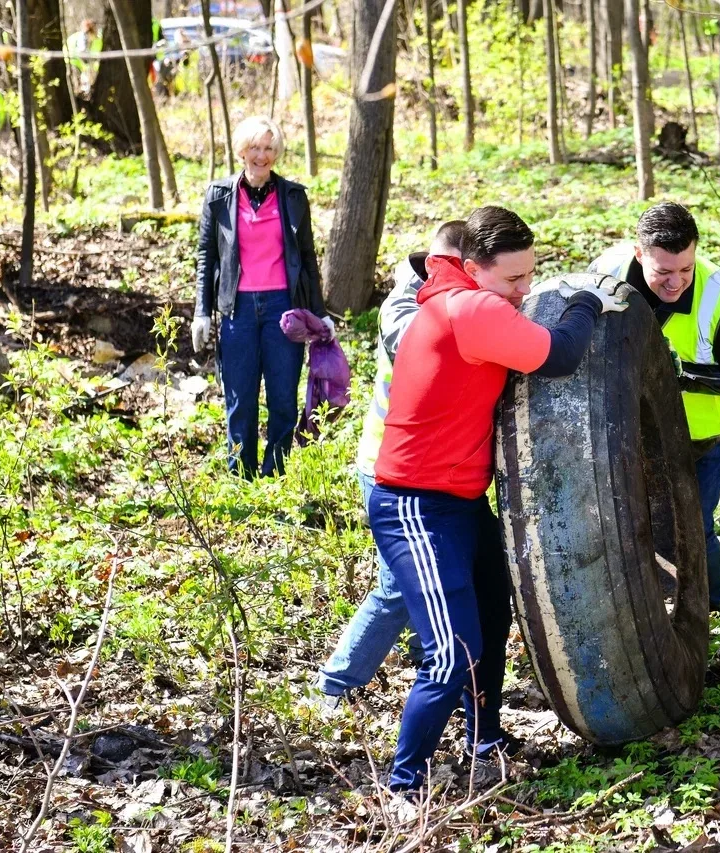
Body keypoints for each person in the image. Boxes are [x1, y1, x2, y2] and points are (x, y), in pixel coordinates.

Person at [359, 205, 626, 794]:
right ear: (474, 267)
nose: (524, 289)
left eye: (531, 274)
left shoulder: (458, 299)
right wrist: (586, 301)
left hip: (459, 501)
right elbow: (559, 356)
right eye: (513, 278)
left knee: (490, 616)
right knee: (451, 654)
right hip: (414, 506)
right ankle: (403, 785)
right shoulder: (469, 308)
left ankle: (483, 737)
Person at [314, 221, 470, 702]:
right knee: (399, 586)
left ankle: (429, 657)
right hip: (389, 467)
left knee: (435, 573)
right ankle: (334, 685)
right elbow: (420, 346)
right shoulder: (406, 307)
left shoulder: (449, 299)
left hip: (429, 468)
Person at [589, 203, 720, 615]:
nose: (676, 282)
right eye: (663, 271)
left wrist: (679, 375)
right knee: (635, 522)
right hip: (633, 431)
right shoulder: (605, 275)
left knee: (694, 524)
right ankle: (650, 609)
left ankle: (713, 607)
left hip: (703, 436)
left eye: (686, 268)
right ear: (638, 253)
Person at [191, 116, 332, 478]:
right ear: (242, 151)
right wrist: (201, 311)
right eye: (254, 147)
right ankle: (241, 475)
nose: (261, 155)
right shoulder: (219, 195)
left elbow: (308, 258)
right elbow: (207, 255)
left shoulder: (293, 197)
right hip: (237, 309)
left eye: (268, 148)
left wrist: (320, 313)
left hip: (283, 309)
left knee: (283, 397)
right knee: (240, 398)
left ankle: (274, 473)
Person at [66, 19, 102, 95]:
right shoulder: (83, 36)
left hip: (73, 60)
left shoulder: (82, 36)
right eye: (95, 30)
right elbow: (82, 52)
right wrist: (89, 63)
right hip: (73, 61)